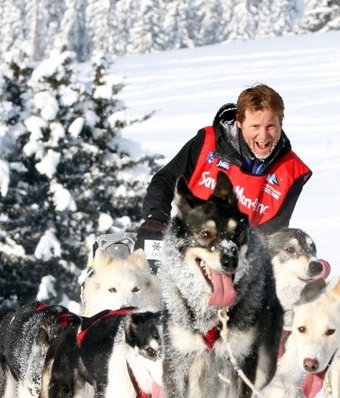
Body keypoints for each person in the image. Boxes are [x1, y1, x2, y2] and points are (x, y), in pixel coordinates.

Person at [134, 83, 312, 271]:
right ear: (239, 123)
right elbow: (165, 181)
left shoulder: (291, 172)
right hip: (187, 245)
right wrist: (156, 215)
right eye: (255, 126)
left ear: (281, 124)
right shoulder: (207, 143)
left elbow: (272, 236)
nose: (263, 136)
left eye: (271, 126)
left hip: (237, 260)